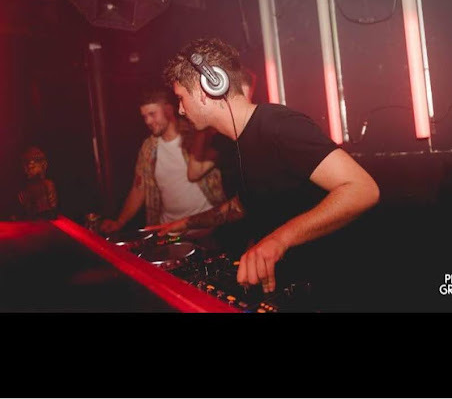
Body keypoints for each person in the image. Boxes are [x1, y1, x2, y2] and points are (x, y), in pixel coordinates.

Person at [161, 37, 380, 293]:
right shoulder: (235, 143)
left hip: (332, 283)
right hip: (293, 285)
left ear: (205, 89)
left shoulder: (279, 126)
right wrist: (185, 223)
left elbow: (363, 189)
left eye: (181, 98)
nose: (181, 110)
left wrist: (278, 240)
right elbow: (240, 206)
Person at [99, 88, 226, 234]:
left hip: (205, 229)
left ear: (168, 110)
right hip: (168, 230)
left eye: (152, 114)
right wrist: (119, 222)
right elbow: (139, 188)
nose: (148, 121)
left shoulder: (195, 134)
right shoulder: (149, 148)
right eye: (144, 116)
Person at [16, 146, 58, 220]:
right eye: (25, 168)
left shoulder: (48, 184)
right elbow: (29, 211)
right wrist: (26, 204)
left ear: (43, 165)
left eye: (31, 167)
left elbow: (52, 209)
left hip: (46, 219)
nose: (26, 171)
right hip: (35, 221)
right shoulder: (29, 187)